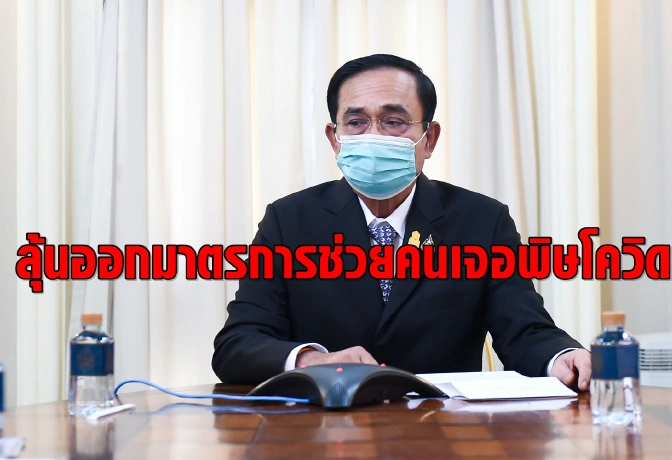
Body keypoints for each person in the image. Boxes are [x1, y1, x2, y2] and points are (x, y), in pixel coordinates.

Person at [212, 54, 592, 391]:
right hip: (324, 428)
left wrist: (562, 357)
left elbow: (524, 330)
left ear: (429, 139)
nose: (374, 136)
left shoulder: (482, 221)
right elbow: (237, 344)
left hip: (442, 429)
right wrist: (312, 360)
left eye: (394, 122)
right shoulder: (288, 222)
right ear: (335, 139)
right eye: (356, 122)